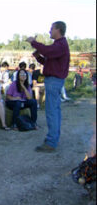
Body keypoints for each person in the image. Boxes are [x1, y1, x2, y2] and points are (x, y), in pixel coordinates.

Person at [26, 21, 70, 152]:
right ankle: (53, 139)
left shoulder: (60, 45)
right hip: (54, 81)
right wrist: (38, 56)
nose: (49, 31)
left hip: (54, 81)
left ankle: (51, 142)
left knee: (52, 112)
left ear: (58, 30)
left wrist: (33, 42)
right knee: (54, 111)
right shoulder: (59, 45)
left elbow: (47, 51)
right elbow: (47, 61)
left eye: (52, 29)